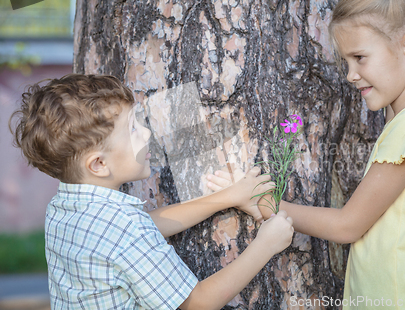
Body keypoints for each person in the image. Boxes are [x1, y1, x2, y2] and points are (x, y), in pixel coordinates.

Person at [207, 0, 405, 308]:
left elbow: (347, 226)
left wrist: (266, 204)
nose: (350, 74)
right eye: (346, 62)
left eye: (360, 57)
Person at [9, 74, 294, 310]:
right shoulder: (124, 227)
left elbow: (146, 225)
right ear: (98, 163)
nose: (146, 134)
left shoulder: (63, 207)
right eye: (132, 129)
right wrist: (265, 244)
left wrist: (228, 197)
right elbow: (196, 303)